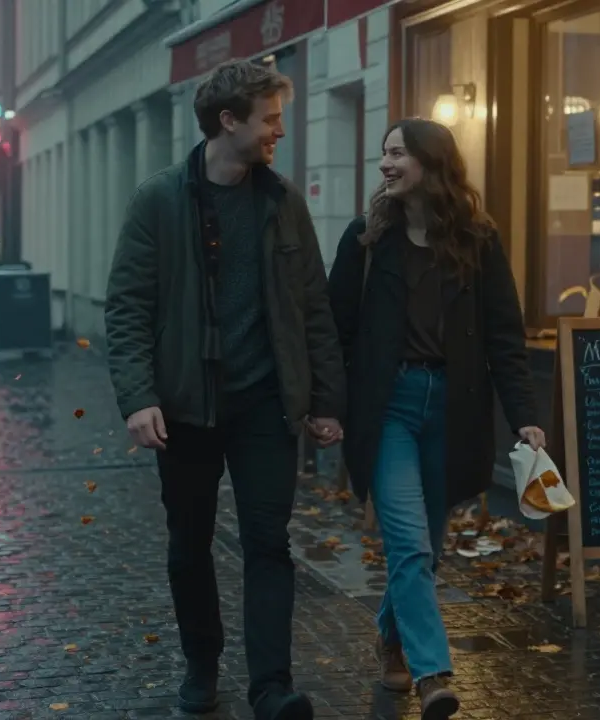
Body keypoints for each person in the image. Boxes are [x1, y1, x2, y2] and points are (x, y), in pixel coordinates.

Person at [104, 59, 345, 720]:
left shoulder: (283, 202)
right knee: (191, 542)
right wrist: (138, 397)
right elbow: (126, 308)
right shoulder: (159, 200)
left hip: (265, 405)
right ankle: (202, 665)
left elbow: (313, 308)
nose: (280, 132)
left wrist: (325, 401)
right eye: (270, 119)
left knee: (268, 543)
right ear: (229, 120)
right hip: (183, 408)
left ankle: (271, 686)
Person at [327, 118, 545, 720]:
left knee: (424, 548)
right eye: (383, 155)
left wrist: (525, 417)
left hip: (453, 409)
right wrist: (326, 407)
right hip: (388, 407)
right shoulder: (364, 240)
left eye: (397, 154)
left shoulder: (477, 240)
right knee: (409, 541)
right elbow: (334, 330)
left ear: (431, 161)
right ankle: (432, 674)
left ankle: (393, 639)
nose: (386, 165)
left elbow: (505, 337)